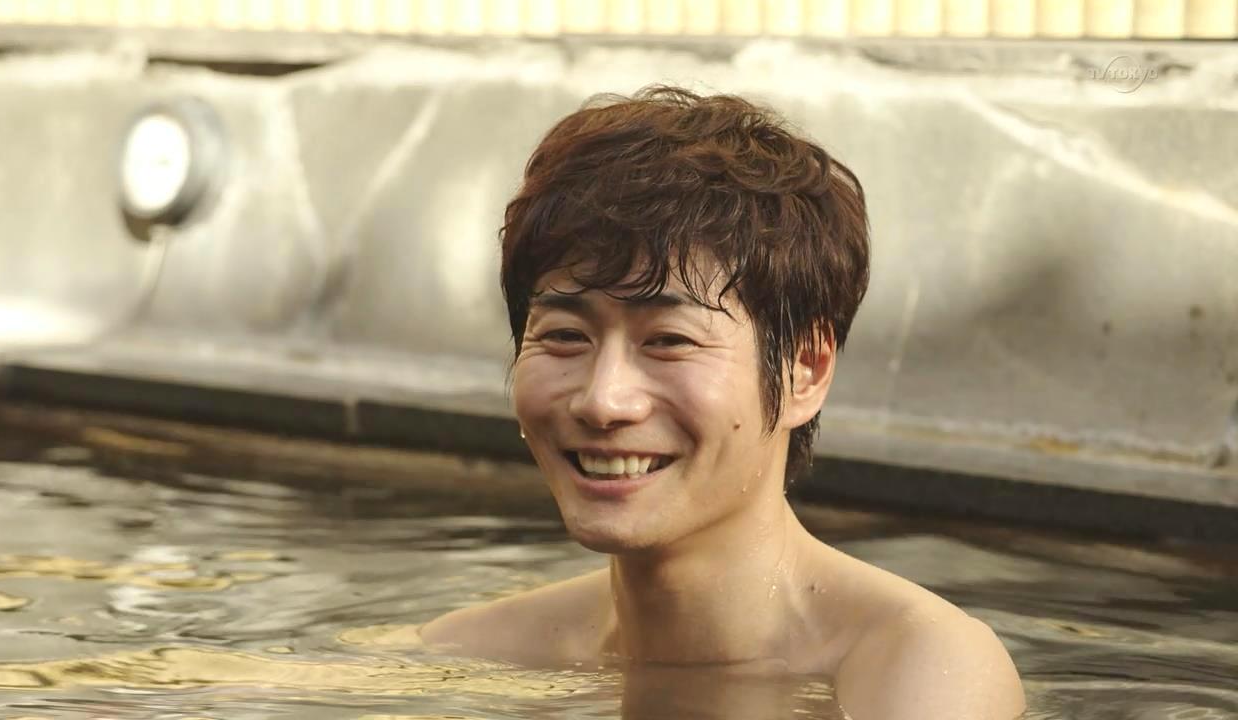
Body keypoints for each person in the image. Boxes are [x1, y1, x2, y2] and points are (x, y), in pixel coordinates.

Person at [420, 85, 1025, 720]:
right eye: (566, 336)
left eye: (669, 340)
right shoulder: (472, 653)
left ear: (804, 371)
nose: (603, 401)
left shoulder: (919, 666)